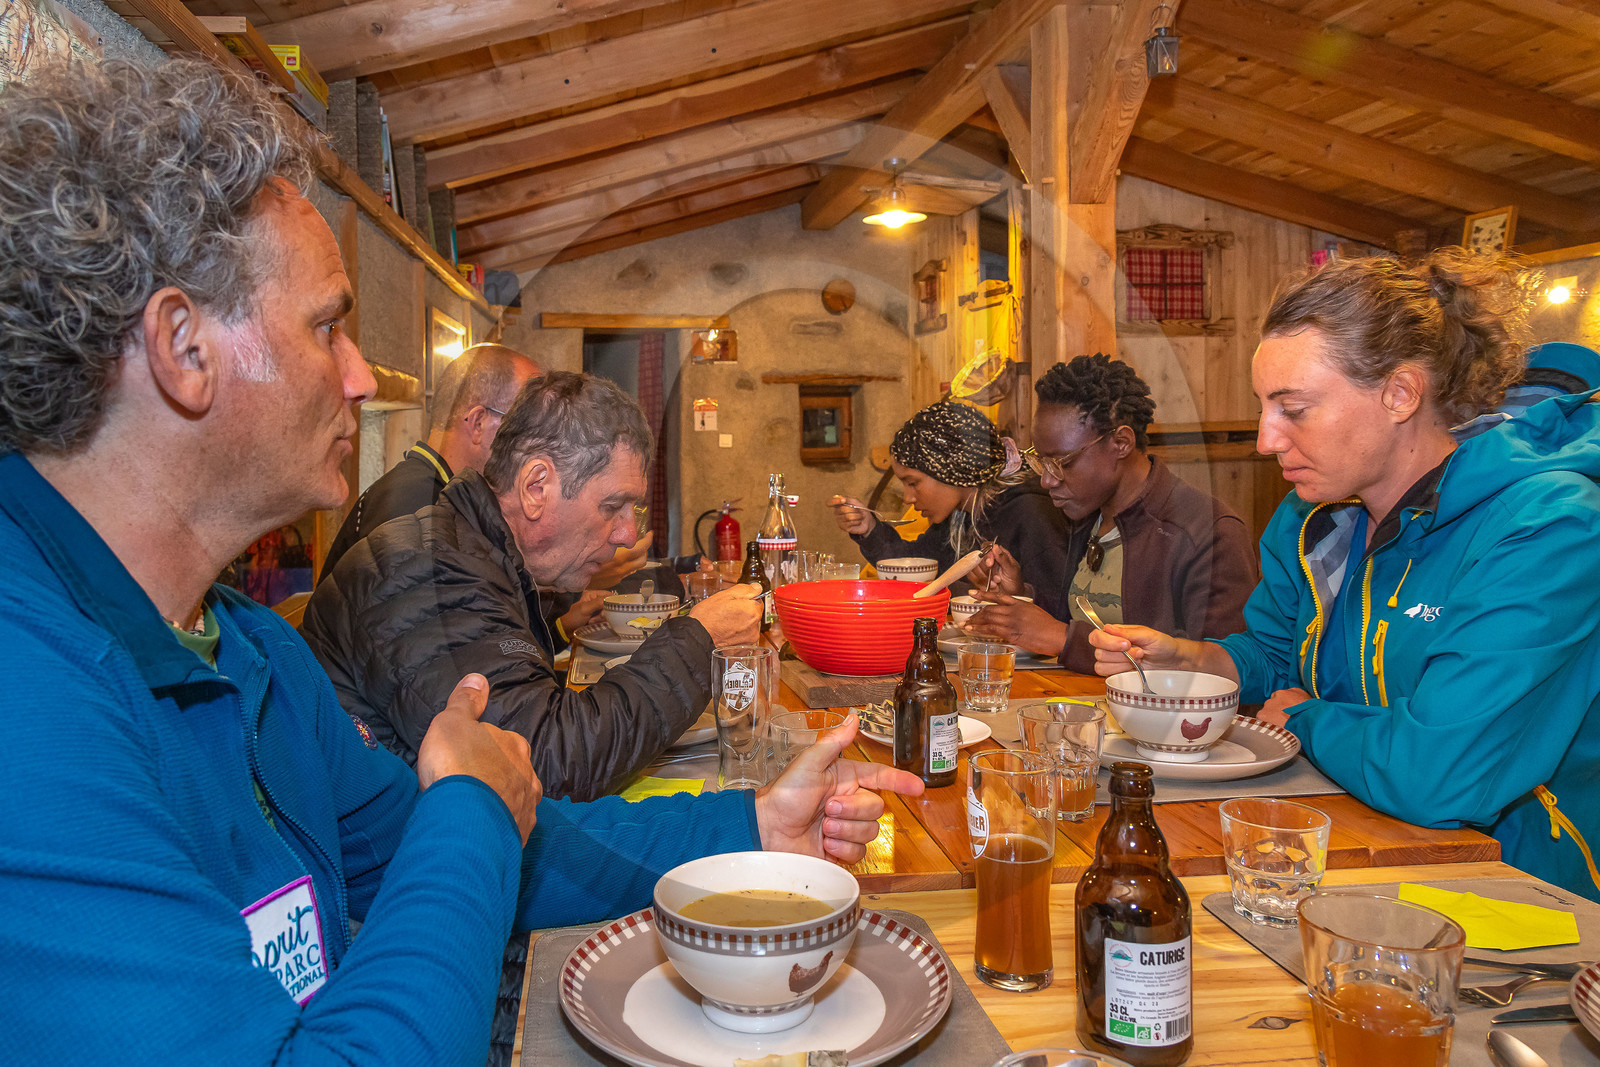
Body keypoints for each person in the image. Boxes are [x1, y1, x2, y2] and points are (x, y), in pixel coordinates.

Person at [0, 57, 921, 1063]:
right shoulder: (28, 696)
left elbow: (514, 841)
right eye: (327, 325)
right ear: (183, 348)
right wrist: (471, 801)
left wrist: (749, 825)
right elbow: (476, 824)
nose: (359, 375)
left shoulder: (246, 644)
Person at [1087, 250, 1600, 901]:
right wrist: (1195, 660)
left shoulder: (1550, 527)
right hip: (1363, 855)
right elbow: (1276, 654)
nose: (1265, 439)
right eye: (1263, 406)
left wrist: (1304, 720)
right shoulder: (1316, 516)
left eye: (1292, 408)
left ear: (1400, 393)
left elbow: (1441, 773)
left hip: (1533, 903)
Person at [302, 371, 763, 801]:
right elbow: (542, 768)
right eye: (613, 506)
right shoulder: (428, 571)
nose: (626, 533)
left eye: (633, 510)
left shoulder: (469, 550)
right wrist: (701, 640)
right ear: (536, 487)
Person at [967, 355, 1258, 672]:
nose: (1046, 480)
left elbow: (1221, 673)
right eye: (1040, 460)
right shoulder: (1085, 514)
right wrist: (1022, 597)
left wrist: (1063, 639)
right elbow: (1082, 616)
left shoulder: (1207, 533)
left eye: (1062, 462)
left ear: (1121, 442)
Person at [830, 400, 1070, 605]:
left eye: (913, 483)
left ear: (951, 469)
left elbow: (1061, 608)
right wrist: (870, 529)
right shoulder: (961, 515)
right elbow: (916, 567)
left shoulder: (1030, 512)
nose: (908, 498)